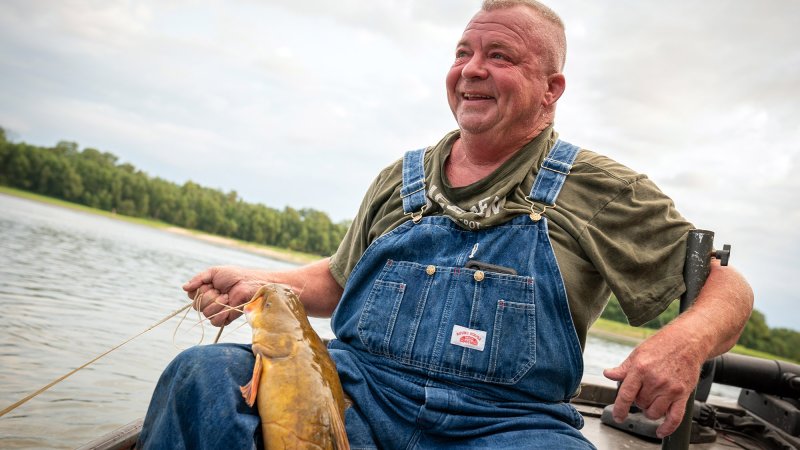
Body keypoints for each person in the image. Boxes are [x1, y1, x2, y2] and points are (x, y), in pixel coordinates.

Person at [137, 1, 754, 448]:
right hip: (359, 397)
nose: (473, 68)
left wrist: (685, 342)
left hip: (505, 426)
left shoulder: (602, 190)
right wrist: (257, 283)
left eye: (500, 56)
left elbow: (728, 289)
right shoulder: (399, 181)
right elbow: (335, 280)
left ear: (551, 87)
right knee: (203, 373)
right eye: (464, 53)